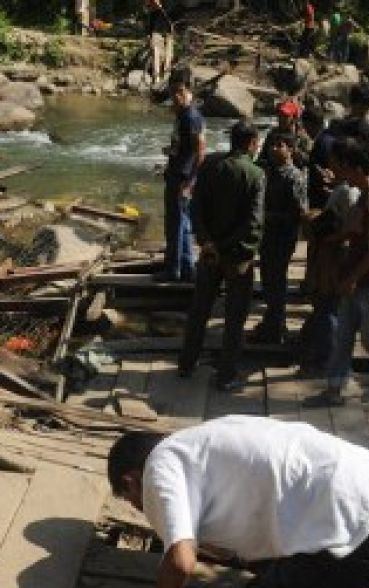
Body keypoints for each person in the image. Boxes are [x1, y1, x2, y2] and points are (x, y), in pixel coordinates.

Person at [97, 416, 369, 588]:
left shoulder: (159, 468)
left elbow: (181, 562)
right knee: (275, 566)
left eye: (131, 501)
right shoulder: (198, 441)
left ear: (131, 480)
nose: (138, 508)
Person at [307, 138, 369, 406]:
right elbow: (354, 231)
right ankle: (334, 390)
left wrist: (352, 277)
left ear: (356, 168)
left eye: (341, 167)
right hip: (355, 276)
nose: (337, 171)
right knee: (343, 336)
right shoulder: (362, 196)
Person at [179, 121, 264, 392]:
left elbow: (196, 207)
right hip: (238, 257)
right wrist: (226, 245)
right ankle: (226, 375)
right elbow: (253, 222)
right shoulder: (256, 174)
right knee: (234, 317)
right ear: (251, 143)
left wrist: (207, 242)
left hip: (209, 253)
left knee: (199, 310)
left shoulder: (210, 165)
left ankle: (186, 364)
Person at [298, 146, 359, 374]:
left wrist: (330, 237)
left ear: (344, 164)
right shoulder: (343, 189)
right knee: (326, 306)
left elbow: (349, 227)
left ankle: (328, 361)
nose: (329, 167)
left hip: (335, 255)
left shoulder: (347, 193)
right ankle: (318, 353)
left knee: (327, 306)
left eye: (333, 162)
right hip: (334, 252)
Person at [249, 132, 308, 345]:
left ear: (290, 150)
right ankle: (272, 321)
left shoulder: (293, 177)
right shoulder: (268, 172)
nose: (274, 149)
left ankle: (276, 326)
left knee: (276, 280)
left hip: (282, 235)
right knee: (268, 278)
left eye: (280, 145)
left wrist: (269, 216)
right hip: (267, 235)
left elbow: (299, 212)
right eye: (272, 145)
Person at [157, 67, 204, 283]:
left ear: (188, 90)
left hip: (183, 178)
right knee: (181, 224)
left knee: (177, 225)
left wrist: (192, 182)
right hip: (178, 173)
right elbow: (186, 147)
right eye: (172, 91)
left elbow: (200, 149)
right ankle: (187, 268)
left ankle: (174, 270)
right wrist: (172, 150)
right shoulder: (183, 115)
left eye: (180, 91)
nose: (176, 97)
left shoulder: (191, 116)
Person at [342, 83, 369, 178]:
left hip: (366, 176)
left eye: (367, 105)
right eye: (362, 105)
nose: (364, 109)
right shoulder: (342, 124)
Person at [259, 99, 312, 172]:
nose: (281, 119)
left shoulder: (302, 137)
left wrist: (296, 153)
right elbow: (262, 158)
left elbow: (310, 161)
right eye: (280, 115)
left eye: (285, 116)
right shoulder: (273, 134)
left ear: (294, 118)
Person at [144, 0, 173, 87]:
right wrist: (148, 35)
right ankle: (156, 78)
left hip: (169, 34)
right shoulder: (152, 11)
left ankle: (166, 77)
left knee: (168, 56)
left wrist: (160, 7)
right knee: (156, 55)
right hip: (156, 33)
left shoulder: (169, 6)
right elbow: (150, 23)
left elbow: (171, 19)